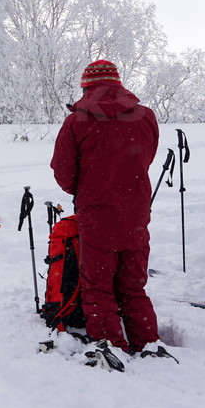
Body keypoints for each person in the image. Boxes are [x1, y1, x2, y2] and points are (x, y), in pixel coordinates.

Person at [50, 59, 163, 355]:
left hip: (97, 213)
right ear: (118, 83)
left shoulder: (77, 121)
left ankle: (111, 345)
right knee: (133, 285)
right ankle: (148, 343)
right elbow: (145, 158)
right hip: (136, 212)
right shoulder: (146, 116)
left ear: (86, 86)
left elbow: (63, 171)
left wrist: (90, 189)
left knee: (97, 286)